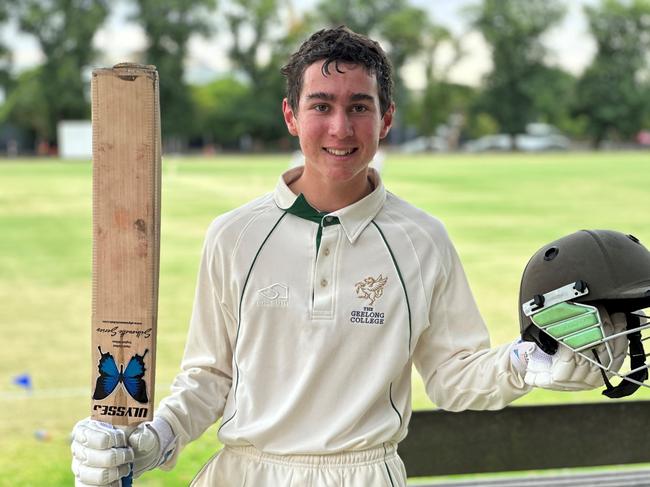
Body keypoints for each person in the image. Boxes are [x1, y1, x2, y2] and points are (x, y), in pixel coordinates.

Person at [71, 26, 602, 487]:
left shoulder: (422, 239)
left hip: (364, 471)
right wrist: (155, 438)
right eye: (321, 105)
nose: (340, 129)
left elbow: (452, 375)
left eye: (359, 107)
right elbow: (209, 376)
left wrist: (527, 365)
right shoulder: (234, 235)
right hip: (247, 471)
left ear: (386, 118)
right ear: (291, 116)